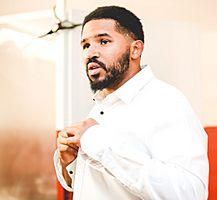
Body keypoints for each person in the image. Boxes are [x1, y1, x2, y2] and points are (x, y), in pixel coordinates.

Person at [54, 5, 209, 200]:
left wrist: (95, 141)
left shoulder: (167, 102)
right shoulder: (101, 106)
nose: (90, 53)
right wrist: (71, 162)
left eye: (103, 41)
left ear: (135, 49)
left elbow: (188, 193)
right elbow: (105, 186)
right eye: (85, 45)